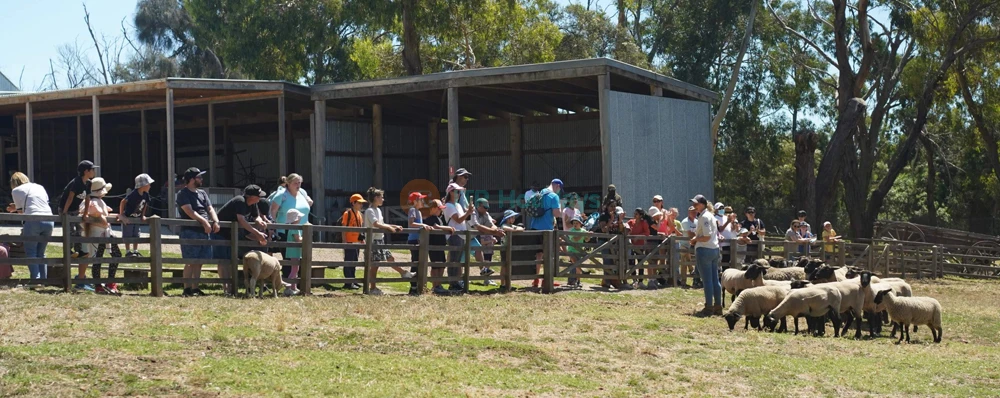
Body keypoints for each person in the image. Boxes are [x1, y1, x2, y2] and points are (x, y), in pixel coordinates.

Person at [176, 167, 219, 297]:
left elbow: (210, 208)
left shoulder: (202, 193)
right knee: (190, 261)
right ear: (191, 179)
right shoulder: (183, 194)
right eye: (199, 177)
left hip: (204, 232)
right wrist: (204, 222)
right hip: (190, 231)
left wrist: (215, 220)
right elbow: (189, 211)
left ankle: (195, 288)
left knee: (199, 262)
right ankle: (187, 288)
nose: (201, 179)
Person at [8, 172, 54, 284]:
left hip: (33, 220)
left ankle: (35, 280)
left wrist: (14, 208)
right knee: (41, 252)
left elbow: (21, 212)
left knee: (31, 252)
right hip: (49, 219)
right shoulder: (39, 187)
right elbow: (41, 203)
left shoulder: (16, 191)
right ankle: (43, 280)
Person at [80, 178, 123, 295]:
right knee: (98, 258)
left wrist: (117, 216)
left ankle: (109, 282)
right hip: (98, 233)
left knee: (113, 255)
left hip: (105, 233)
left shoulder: (97, 201)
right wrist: (102, 219)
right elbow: (95, 213)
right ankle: (99, 284)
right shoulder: (91, 202)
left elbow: (103, 214)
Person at [363, 187, 409, 295]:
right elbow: (376, 224)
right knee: (375, 265)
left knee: (390, 258)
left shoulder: (378, 210)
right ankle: (372, 288)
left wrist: (394, 226)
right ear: (376, 198)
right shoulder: (369, 211)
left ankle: (403, 273)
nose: (383, 199)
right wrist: (389, 228)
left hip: (380, 239)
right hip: (373, 241)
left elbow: (382, 223)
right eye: (381, 197)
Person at [270, 173, 312, 278]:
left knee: (303, 257)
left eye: (299, 183)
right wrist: (274, 227)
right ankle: (288, 283)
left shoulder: (302, 192)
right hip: (286, 231)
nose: (298, 185)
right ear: (288, 183)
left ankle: (299, 283)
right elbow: (272, 211)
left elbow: (309, 203)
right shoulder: (281, 195)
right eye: (295, 183)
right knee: (289, 259)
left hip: (304, 230)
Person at [215, 185, 270, 262]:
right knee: (223, 261)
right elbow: (241, 220)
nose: (260, 198)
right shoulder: (240, 201)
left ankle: (232, 274)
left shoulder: (253, 203)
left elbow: (256, 216)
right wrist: (257, 233)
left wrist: (260, 221)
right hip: (221, 233)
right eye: (258, 196)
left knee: (231, 260)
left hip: (232, 234)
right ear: (251, 196)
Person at [690, 194, 722, 317]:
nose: (694, 206)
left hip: (705, 249)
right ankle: (718, 306)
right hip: (714, 249)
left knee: (707, 280)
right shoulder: (710, 216)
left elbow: (707, 236)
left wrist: (695, 239)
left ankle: (709, 307)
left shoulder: (704, 217)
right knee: (714, 280)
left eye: (696, 204)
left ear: (702, 204)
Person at [529, 179, 563, 289]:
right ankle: (546, 280)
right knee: (549, 255)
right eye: (559, 189)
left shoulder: (539, 193)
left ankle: (536, 279)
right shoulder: (553, 196)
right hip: (547, 229)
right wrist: (560, 208)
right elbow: (556, 214)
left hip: (534, 227)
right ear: (557, 186)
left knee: (538, 255)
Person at [60, 161, 96, 260]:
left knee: (79, 229)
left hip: (76, 209)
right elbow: (70, 197)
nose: (94, 171)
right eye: (92, 169)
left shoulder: (88, 183)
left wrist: (85, 213)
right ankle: (68, 251)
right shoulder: (76, 182)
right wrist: (65, 212)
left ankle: (79, 250)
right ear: (86, 171)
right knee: (70, 230)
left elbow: (87, 199)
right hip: (66, 208)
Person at [443, 183, 473, 292]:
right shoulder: (449, 206)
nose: (458, 194)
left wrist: (469, 212)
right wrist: (468, 212)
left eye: (459, 192)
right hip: (454, 235)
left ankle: (456, 281)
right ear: (450, 192)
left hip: (460, 235)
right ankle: (452, 283)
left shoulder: (458, 205)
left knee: (457, 260)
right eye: (456, 191)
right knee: (454, 260)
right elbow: (459, 219)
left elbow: (464, 218)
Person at [422, 199, 455, 295]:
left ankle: (439, 284)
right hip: (434, 246)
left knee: (442, 265)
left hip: (440, 245)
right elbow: (436, 227)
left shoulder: (439, 218)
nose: (440, 211)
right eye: (439, 209)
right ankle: (435, 285)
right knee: (435, 266)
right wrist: (448, 228)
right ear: (432, 209)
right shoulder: (430, 219)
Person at [470, 198, 505, 286]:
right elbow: (478, 226)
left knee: (479, 251)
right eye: (484, 207)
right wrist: (494, 232)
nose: (486, 209)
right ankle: (457, 280)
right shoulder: (473, 212)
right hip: (463, 236)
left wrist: (495, 230)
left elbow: (492, 225)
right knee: (459, 260)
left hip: (472, 238)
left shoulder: (486, 213)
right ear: (478, 206)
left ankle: (485, 275)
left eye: (487, 207)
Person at [119, 174, 153, 257]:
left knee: (136, 234)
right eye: (148, 184)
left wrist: (142, 215)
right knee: (128, 234)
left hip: (137, 217)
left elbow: (145, 204)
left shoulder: (146, 195)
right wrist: (121, 215)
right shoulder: (133, 194)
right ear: (143, 185)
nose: (150, 186)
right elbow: (123, 202)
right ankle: (127, 251)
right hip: (129, 217)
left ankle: (135, 250)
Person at [597, 203, 630, 290]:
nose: (613, 208)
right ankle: (607, 281)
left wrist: (619, 221)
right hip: (604, 241)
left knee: (613, 261)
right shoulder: (603, 216)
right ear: (607, 207)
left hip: (614, 242)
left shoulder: (616, 216)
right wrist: (611, 220)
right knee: (607, 261)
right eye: (611, 206)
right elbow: (604, 229)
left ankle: (608, 280)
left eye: (614, 206)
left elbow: (621, 230)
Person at [406, 191, 433, 294]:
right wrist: (422, 225)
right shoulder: (413, 210)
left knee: (419, 262)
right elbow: (411, 223)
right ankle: (413, 286)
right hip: (413, 239)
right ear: (415, 201)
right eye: (421, 199)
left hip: (419, 239)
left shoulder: (419, 212)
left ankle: (417, 285)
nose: (422, 201)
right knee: (415, 262)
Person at [627, 208, 659, 289]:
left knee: (640, 262)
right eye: (634, 213)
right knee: (632, 262)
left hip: (640, 245)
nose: (635, 215)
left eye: (636, 214)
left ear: (640, 215)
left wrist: (639, 236)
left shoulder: (643, 223)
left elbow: (647, 233)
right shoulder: (631, 222)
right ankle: (634, 280)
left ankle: (640, 281)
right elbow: (626, 228)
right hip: (631, 245)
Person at [340, 194, 367, 290]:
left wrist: (362, 239)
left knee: (354, 261)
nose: (361, 205)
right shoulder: (348, 214)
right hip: (349, 241)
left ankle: (353, 280)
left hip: (357, 241)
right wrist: (344, 241)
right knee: (348, 262)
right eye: (359, 203)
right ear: (353, 203)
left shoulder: (360, 214)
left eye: (361, 203)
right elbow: (344, 228)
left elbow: (360, 228)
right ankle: (348, 282)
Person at [283, 209, 305, 296]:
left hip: (295, 251)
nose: (300, 218)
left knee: (295, 269)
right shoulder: (295, 228)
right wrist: (305, 238)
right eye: (299, 217)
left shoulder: (295, 227)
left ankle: (293, 287)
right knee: (294, 269)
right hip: (294, 251)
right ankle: (288, 287)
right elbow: (297, 239)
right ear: (296, 219)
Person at [564, 215, 589, 287]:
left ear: (580, 223)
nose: (575, 224)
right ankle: (571, 280)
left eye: (576, 223)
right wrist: (583, 234)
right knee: (574, 264)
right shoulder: (571, 231)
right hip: (571, 250)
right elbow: (575, 239)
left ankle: (578, 281)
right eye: (574, 223)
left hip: (579, 251)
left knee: (576, 265)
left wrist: (589, 235)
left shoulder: (583, 231)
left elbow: (587, 240)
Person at [680, 206, 699, 288]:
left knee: (692, 261)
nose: (694, 213)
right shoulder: (685, 221)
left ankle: (695, 277)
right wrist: (700, 237)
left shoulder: (697, 221)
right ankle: (683, 281)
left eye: (695, 212)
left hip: (694, 244)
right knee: (684, 263)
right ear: (689, 212)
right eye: (692, 212)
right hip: (685, 244)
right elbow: (689, 234)